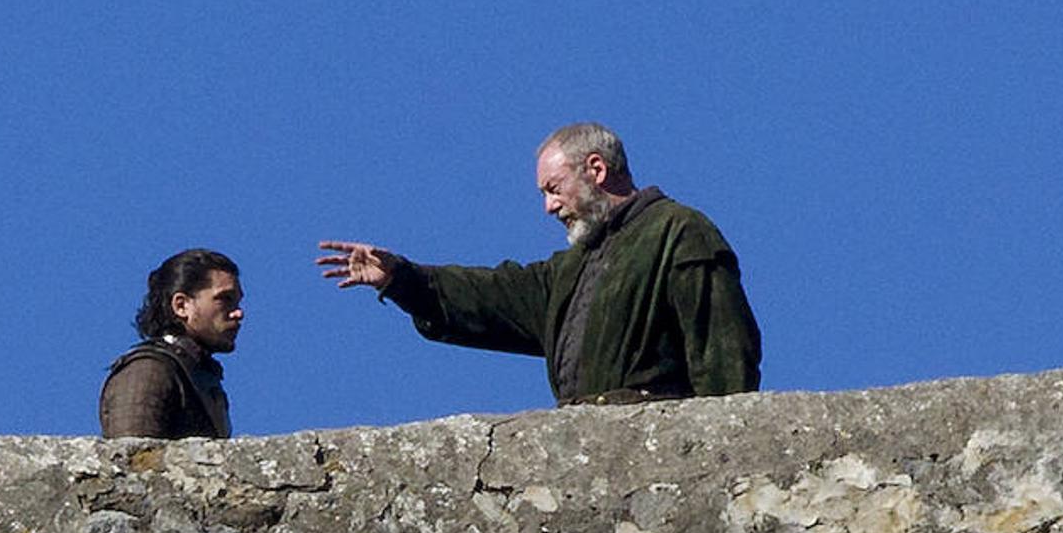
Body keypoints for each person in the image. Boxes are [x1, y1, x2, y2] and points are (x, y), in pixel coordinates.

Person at [317, 122, 760, 405]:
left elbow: (723, 358)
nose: (549, 207)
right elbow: (492, 297)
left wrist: (723, 454)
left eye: (554, 188)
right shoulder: (571, 271)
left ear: (596, 169)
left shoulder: (678, 232)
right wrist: (403, 279)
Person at [100, 249, 244, 438]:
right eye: (224, 299)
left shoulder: (200, 376)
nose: (238, 313)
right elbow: (130, 457)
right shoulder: (149, 369)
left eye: (237, 302)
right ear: (181, 306)